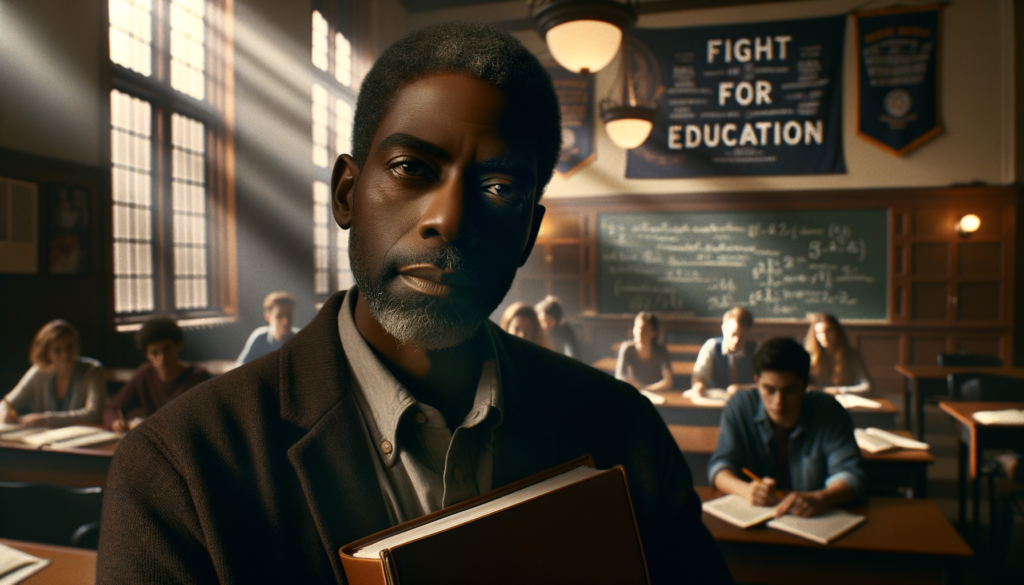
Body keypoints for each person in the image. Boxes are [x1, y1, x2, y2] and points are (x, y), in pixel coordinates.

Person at [96, 22, 731, 584]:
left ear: (528, 236)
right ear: (346, 194)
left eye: (500, 185)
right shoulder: (183, 469)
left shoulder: (625, 432)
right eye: (411, 168)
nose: (449, 220)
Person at [708, 338, 865, 518]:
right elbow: (720, 467)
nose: (779, 403)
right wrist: (746, 490)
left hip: (812, 522)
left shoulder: (828, 411)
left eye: (790, 390)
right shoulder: (740, 406)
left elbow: (852, 476)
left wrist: (820, 498)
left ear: (805, 385)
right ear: (757, 381)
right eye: (769, 389)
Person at [103, 316, 212, 432]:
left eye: (167, 349)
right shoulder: (144, 375)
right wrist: (114, 422)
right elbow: (112, 408)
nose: (162, 358)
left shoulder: (198, 378)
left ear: (178, 346)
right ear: (147, 355)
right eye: (155, 353)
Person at [0, 320, 104, 428]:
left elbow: (94, 414)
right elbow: (6, 403)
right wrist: (4, 414)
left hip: (81, 440)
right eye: (57, 350)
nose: (65, 355)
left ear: (77, 345)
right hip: (44, 440)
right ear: (47, 353)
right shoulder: (39, 371)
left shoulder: (93, 371)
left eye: (69, 347)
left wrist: (46, 419)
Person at [688, 307, 757, 399]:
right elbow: (700, 375)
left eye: (742, 336)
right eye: (733, 334)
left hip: (745, 401)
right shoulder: (712, 346)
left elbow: (764, 382)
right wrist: (698, 385)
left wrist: (743, 388)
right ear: (723, 328)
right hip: (715, 401)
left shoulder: (756, 350)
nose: (736, 340)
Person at [804, 313, 874, 395]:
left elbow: (868, 386)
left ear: (837, 332)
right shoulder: (808, 356)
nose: (824, 337)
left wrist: (840, 390)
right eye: (818, 333)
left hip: (844, 402)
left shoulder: (851, 355)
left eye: (828, 331)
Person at [615, 312, 673, 392]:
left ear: (654, 333)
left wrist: (645, 389)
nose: (640, 332)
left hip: (658, 393)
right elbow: (620, 377)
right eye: (637, 328)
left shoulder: (660, 351)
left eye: (645, 329)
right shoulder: (627, 349)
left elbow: (668, 382)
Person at [235, 291, 299, 364]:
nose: (286, 321)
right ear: (267, 317)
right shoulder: (259, 338)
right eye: (279, 316)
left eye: (288, 315)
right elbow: (241, 367)